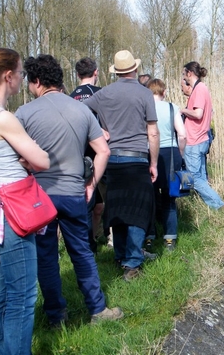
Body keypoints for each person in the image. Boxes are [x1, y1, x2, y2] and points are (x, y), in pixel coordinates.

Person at [15, 54, 123, 325]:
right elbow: (103, 150)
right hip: (75, 192)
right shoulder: (82, 110)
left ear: (37, 81)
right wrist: (92, 183)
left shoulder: (25, 114)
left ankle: (56, 315)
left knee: (47, 257)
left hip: (41, 198)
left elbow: (16, 159)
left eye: (30, 82)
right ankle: (97, 309)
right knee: (82, 252)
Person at [0, 48, 50, 354]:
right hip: (12, 213)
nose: (22, 78)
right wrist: (29, 158)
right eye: (20, 73)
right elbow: (41, 160)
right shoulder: (3, 118)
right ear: (8, 77)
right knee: (23, 297)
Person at [84, 50, 160, 281]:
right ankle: (132, 262)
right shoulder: (144, 94)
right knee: (138, 209)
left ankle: (119, 255)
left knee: (116, 208)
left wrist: (97, 132)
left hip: (112, 159)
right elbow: (153, 132)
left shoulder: (104, 93)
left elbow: (80, 110)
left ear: (116, 72)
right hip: (137, 158)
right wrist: (154, 162)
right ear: (135, 69)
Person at [181, 61, 224, 213]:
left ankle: (220, 206)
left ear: (190, 73)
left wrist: (182, 110)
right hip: (201, 139)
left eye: (184, 74)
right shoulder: (200, 89)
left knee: (194, 179)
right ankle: (209, 209)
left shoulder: (199, 89)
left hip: (195, 141)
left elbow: (198, 113)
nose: (184, 77)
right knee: (201, 177)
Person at [69, 57, 106, 251]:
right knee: (103, 197)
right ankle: (104, 238)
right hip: (100, 151)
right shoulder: (101, 94)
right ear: (96, 72)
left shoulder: (69, 97)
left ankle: (89, 239)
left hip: (79, 153)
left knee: (88, 198)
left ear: (77, 75)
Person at [146, 78, 187, 251]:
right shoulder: (172, 107)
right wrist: (181, 154)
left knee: (150, 196)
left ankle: (149, 236)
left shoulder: (144, 108)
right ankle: (170, 239)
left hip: (150, 153)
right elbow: (183, 135)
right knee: (169, 197)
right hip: (171, 154)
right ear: (164, 92)